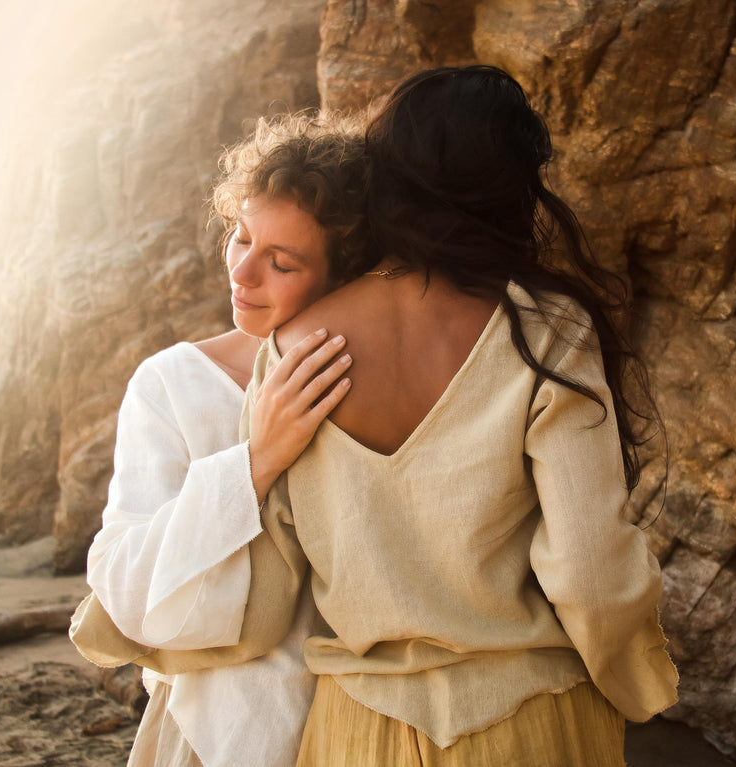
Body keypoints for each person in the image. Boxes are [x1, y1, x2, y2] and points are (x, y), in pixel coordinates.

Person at [244, 66, 680, 766]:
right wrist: (638, 685)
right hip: (531, 720)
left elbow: (265, 594)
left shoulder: (292, 349)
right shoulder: (545, 327)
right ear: (509, 187)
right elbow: (594, 576)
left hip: (359, 730)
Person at [75, 112, 373, 767]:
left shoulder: (382, 385)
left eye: (281, 262)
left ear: (342, 272)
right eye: (240, 237)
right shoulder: (172, 383)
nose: (242, 273)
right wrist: (256, 460)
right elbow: (124, 586)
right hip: (214, 729)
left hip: (371, 726)